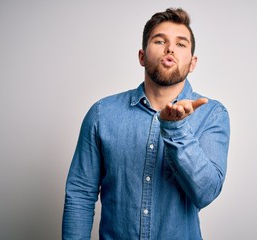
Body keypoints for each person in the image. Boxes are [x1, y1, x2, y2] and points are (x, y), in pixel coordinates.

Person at [62, 8, 230, 240]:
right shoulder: (102, 114)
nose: (170, 48)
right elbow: (80, 194)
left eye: (181, 44)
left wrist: (176, 129)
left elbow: (206, 193)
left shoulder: (212, 114)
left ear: (192, 63)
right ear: (142, 56)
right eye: (160, 40)